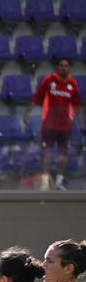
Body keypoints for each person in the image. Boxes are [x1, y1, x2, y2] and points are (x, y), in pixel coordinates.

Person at [24, 58, 82, 190]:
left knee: (63, 155)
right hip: (49, 124)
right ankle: (45, 182)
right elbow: (37, 97)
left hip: (65, 126)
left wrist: (81, 121)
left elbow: (77, 105)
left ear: (70, 68)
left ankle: (59, 182)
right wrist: (27, 111)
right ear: (57, 67)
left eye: (66, 66)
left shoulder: (73, 84)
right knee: (47, 153)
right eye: (61, 65)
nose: (63, 68)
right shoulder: (49, 80)